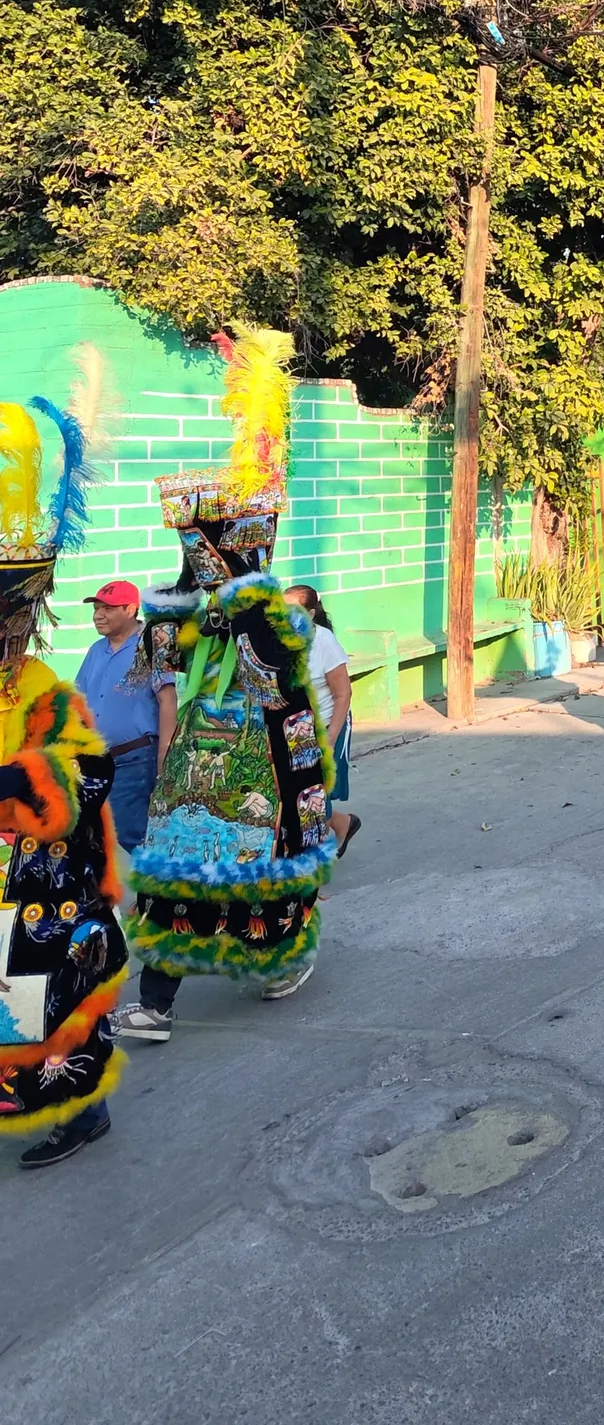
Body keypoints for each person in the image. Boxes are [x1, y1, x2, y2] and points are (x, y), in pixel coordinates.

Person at [116, 328, 336, 1044]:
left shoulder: (272, 619)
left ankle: (276, 964)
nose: (201, 561)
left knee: (263, 873)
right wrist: (188, 599)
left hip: (264, 771)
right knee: (175, 874)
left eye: (215, 545)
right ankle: (157, 1001)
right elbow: (156, 652)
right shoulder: (197, 612)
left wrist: (225, 597)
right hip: (195, 773)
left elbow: (266, 665)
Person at [0, 389, 128, 1167]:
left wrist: (15, 782)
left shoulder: (41, 686)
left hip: (37, 886)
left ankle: (82, 1115)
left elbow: (90, 772)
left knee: (48, 1005)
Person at [75, 580, 176, 851]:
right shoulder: (96, 651)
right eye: (96, 609)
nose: (98, 615)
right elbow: (77, 704)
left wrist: (164, 758)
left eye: (107, 609)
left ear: (130, 610)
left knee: (126, 840)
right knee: (94, 841)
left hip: (135, 759)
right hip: (94, 763)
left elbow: (167, 701)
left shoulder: (152, 645)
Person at [284, 585, 359, 855]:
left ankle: (310, 860)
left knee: (314, 797)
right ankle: (343, 823)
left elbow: (343, 694)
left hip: (327, 724)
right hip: (294, 730)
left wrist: (330, 737)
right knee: (295, 794)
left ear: (311, 614)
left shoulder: (323, 641)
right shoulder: (277, 640)